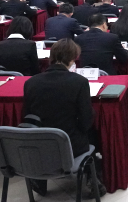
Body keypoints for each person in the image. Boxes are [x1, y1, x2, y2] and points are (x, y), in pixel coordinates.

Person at [23, 39, 104, 195]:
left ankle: (39, 180)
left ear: (51, 57)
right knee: (92, 133)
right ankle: (93, 178)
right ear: (73, 59)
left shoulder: (30, 82)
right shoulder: (79, 82)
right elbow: (86, 121)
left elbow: (26, 117)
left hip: (38, 144)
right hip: (69, 144)